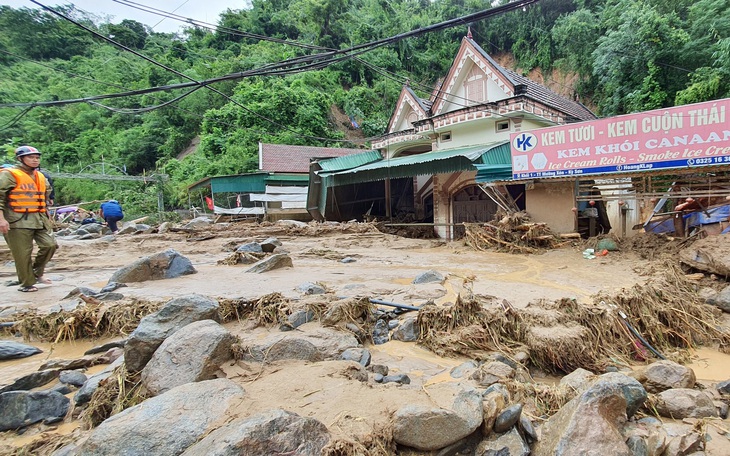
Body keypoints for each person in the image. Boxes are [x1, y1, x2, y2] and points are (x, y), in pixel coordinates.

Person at [0, 146, 57, 292]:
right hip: (16, 219)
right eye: (31, 157)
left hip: (38, 218)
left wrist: (48, 215)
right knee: (23, 253)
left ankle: (37, 273)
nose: (35, 160)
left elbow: (45, 197)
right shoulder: (9, 175)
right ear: (20, 159)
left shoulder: (41, 176)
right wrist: (2, 220)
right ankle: (26, 283)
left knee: (50, 245)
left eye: (37, 157)